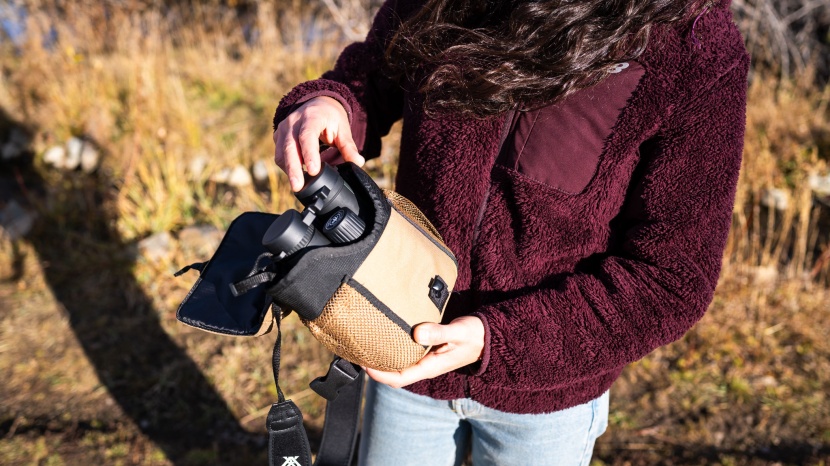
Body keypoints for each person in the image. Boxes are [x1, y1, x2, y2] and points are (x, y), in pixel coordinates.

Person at [272, 0, 749, 464]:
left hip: (546, 399)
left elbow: (671, 280)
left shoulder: (696, 44)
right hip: (399, 347)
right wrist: (331, 103)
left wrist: (498, 340)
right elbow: (379, 71)